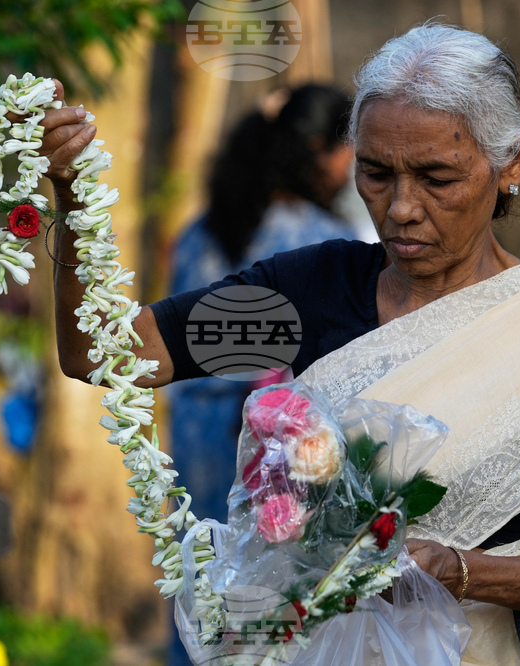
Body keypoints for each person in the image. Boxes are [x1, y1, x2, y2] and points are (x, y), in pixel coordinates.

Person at [44, 22, 520, 665]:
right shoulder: (312, 287)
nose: (401, 207)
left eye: (437, 178)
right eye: (376, 174)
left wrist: (459, 571)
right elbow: (100, 353)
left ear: (510, 162)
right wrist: (70, 198)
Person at [167, 83, 357, 529]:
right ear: (317, 150)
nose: (350, 173)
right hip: (280, 444)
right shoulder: (320, 241)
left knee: (200, 572)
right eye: (348, 157)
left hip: (196, 434)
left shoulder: (198, 233)